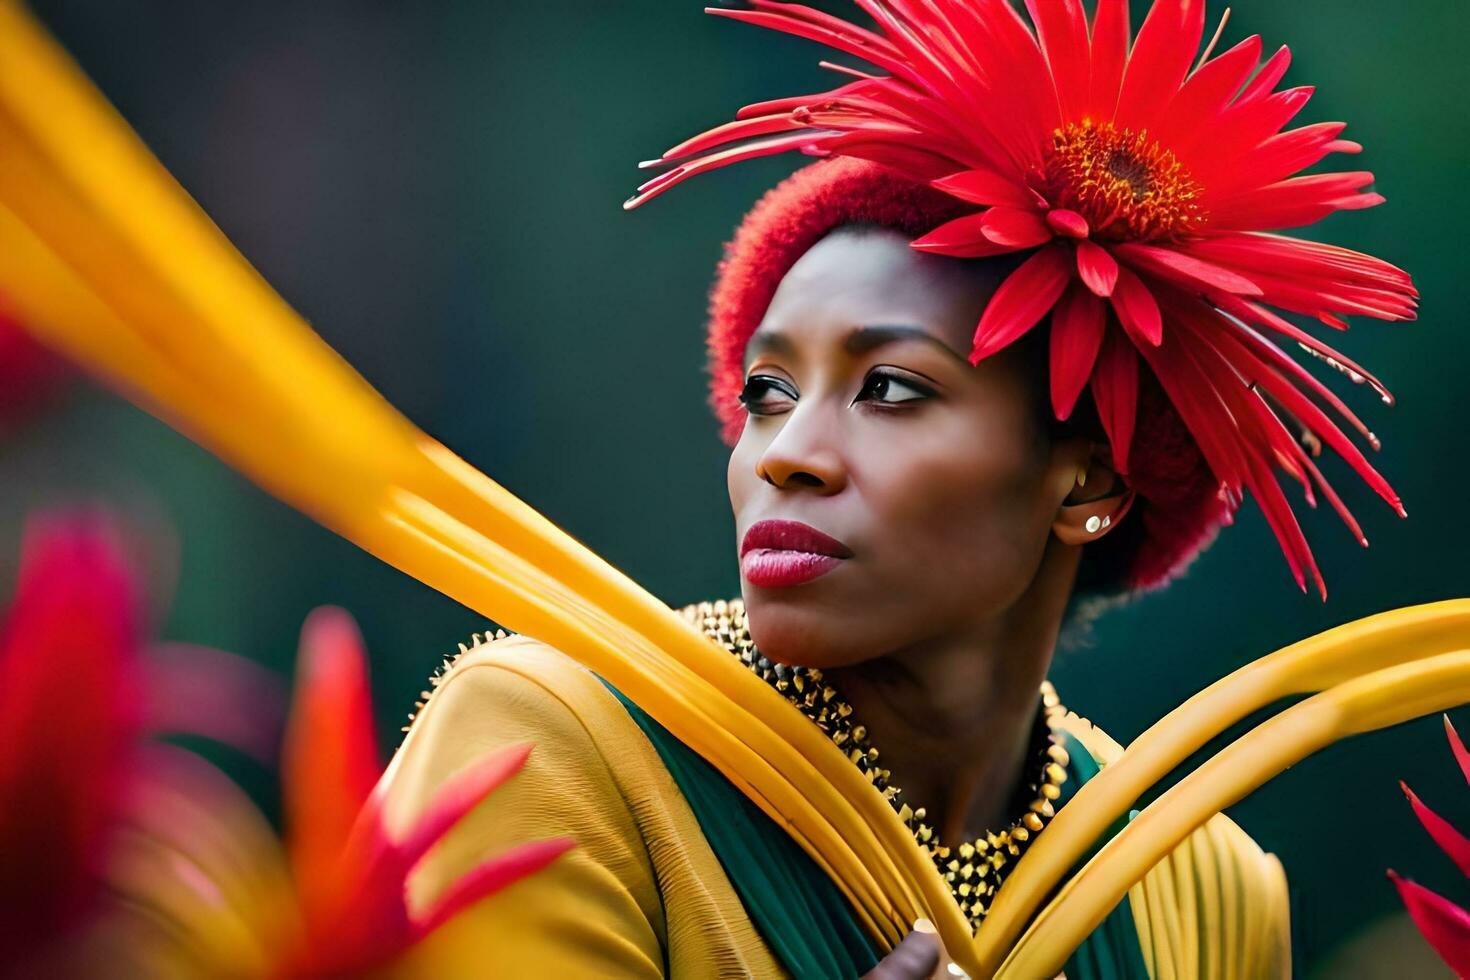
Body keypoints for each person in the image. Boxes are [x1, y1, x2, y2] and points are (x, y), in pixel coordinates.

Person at [377, 0, 1424, 969]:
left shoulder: (1202, 888)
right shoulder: (548, 745)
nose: (787, 451)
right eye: (768, 391)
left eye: (886, 387)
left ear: (1089, 481)